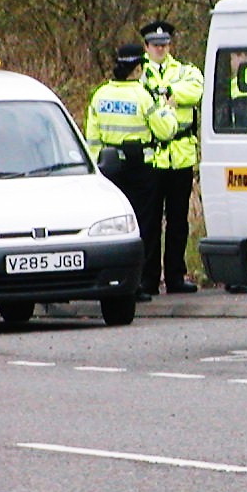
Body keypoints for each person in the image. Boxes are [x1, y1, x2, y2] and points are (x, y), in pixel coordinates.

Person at [86, 43, 177, 302]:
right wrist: (168, 109)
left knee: (113, 228)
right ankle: (140, 283)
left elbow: (92, 138)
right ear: (137, 68)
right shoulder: (143, 96)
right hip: (141, 170)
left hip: (109, 170)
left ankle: (113, 280)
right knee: (143, 227)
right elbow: (165, 131)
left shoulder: (100, 95)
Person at [139, 20, 205, 295]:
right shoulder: (138, 73)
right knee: (150, 221)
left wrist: (167, 93)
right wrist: (170, 97)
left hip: (180, 156)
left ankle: (176, 276)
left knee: (178, 220)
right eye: (155, 45)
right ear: (146, 47)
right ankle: (149, 278)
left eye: (164, 44)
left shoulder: (184, 70)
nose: (160, 49)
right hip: (152, 158)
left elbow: (196, 90)